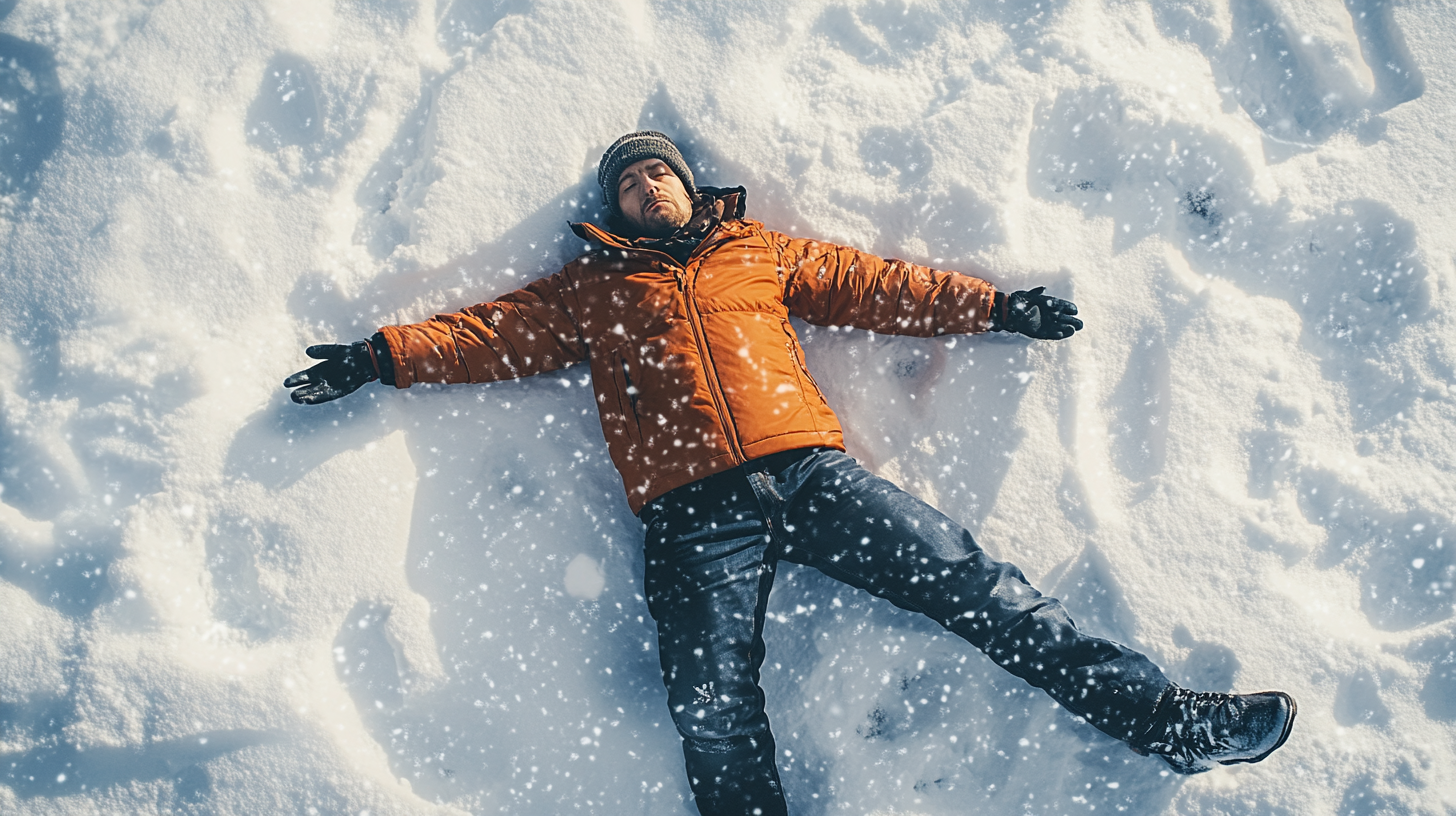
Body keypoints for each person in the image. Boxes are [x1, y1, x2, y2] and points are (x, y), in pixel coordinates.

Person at [285, 131, 1296, 815]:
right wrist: (380, 357)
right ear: (612, 209)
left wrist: (994, 309)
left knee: (986, 594)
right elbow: (484, 334)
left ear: (689, 184)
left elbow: (870, 286)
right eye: (628, 182)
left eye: (658, 174)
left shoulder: (753, 251)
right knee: (711, 704)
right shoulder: (591, 290)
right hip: (691, 518)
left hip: (810, 477)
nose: (646, 187)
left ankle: (1167, 721)